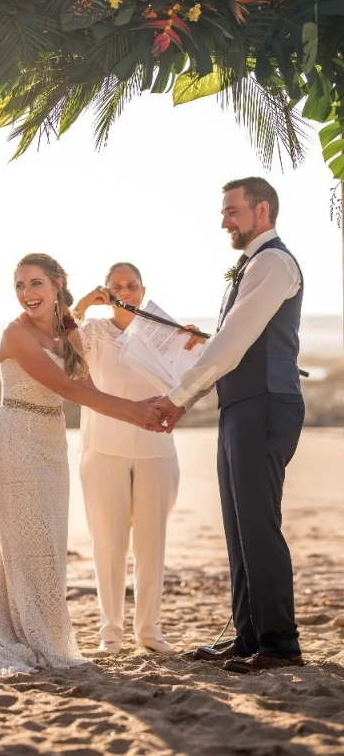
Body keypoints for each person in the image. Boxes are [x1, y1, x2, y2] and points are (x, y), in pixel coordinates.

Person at [0, 253, 163, 677]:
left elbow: (86, 384)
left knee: (49, 544)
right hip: (16, 438)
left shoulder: (67, 330)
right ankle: (30, 639)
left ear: (58, 283)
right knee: (26, 542)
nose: (26, 294)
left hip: (53, 441)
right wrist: (134, 411)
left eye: (35, 283)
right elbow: (62, 387)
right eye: (20, 286)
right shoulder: (15, 335)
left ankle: (31, 633)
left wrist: (141, 404)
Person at [155, 177, 305, 673]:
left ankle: (280, 644)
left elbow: (234, 342)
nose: (224, 220)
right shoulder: (251, 266)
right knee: (238, 524)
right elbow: (229, 341)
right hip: (240, 403)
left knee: (258, 524)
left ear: (262, 211)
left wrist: (178, 399)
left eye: (232, 211)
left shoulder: (274, 263)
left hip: (265, 403)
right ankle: (248, 636)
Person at [73, 263, 184, 655]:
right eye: (117, 285)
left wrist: (191, 346)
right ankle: (110, 633)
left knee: (152, 544)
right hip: (103, 449)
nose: (125, 291)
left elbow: (190, 377)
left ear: (142, 290)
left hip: (156, 449)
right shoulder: (92, 332)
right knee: (108, 542)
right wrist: (82, 306)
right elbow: (54, 348)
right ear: (107, 291)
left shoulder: (165, 332)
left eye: (131, 285)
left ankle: (149, 633)